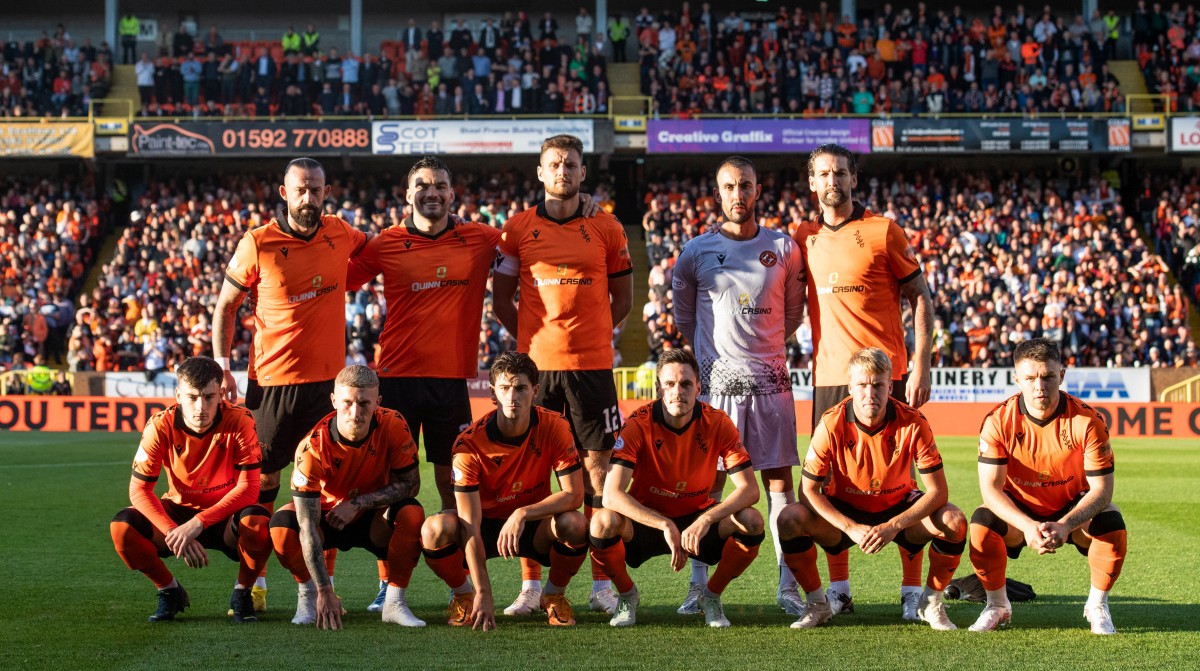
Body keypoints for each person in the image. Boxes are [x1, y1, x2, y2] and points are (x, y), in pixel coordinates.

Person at [212, 157, 368, 612]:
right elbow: (225, 307)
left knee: (323, 485)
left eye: (316, 190)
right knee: (265, 482)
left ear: (326, 191)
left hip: (327, 387)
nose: (309, 198)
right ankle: (253, 582)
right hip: (273, 384)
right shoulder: (257, 243)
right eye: (301, 190)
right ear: (284, 193)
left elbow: (370, 256)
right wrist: (224, 366)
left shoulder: (340, 231)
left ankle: (323, 587)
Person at [345, 156, 501, 611]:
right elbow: (342, 276)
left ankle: (461, 582)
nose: (431, 192)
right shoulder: (387, 243)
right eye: (422, 185)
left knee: (453, 481)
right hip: (394, 378)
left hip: (450, 381)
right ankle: (388, 584)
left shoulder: (481, 238)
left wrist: (591, 207)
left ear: (452, 194)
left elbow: (532, 237)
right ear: (407, 193)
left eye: (439, 185)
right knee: (391, 482)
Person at [492, 134, 633, 615]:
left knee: (596, 473)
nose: (563, 171)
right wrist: (534, 343)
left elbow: (624, 300)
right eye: (554, 164)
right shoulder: (515, 230)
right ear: (540, 171)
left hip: (592, 370)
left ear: (582, 173)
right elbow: (501, 301)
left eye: (571, 164)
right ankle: (532, 587)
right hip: (538, 374)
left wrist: (587, 336)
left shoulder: (607, 226)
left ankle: (600, 584)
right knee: (535, 474)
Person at [793, 143, 935, 619]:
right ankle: (839, 591)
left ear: (854, 179)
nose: (832, 181)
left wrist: (919, 364)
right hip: (830, 377)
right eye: (823, 174)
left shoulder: (883, 231)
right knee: (831, 488)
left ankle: (912, 593)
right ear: (812, 182)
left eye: (840, 173)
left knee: (900, 484)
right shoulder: (802, 235)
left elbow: (920, 295)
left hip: (884, 374)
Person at [671, 155, 806, 616]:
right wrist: (716, 364)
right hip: (717, 390)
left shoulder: (784, 248)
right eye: (729, 187)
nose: (738, 194)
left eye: (745, 185)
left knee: (778, 485)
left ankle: (788, 586)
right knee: (706, 488)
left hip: (770, 385)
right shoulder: (696, 251)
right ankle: (697, 585)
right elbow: (685, 320)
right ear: (718, 194)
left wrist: (760, 353)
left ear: (757, 189)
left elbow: (792, 316)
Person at [779, 347, 966, 630]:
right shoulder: (830, 423)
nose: (870, 393)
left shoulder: (913, 421)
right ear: (851, 387)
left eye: (878, 385)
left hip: (898, 507)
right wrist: (850, 526)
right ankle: (818, 604)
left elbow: (938, 492)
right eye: (863, 385)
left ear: (890, 386)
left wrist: (893, 525)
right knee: (789, 519)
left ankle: (931, 604)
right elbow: (808, 491)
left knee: (954, 520)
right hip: (846, 509)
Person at [589, 348, 764, 627]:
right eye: (669, 384)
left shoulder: (718, 422)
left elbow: (750, 490)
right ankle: (627, 595)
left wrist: (706, 518)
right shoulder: (638, 423)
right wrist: (663, 524)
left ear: (698, 387)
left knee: (752, 521)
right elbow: (611, 494)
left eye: (685, 384)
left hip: (697, 518)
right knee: (601, 522)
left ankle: (711, 596)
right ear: (659, 388)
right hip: (648, 520)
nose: (677, 391)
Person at [420, 352, 589, 630]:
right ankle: (464, 595)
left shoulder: (555, 426)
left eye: (521, 388)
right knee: (433, 529)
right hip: (483, 527)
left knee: (575, 523)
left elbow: (574, 495)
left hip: (532, 525)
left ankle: (554, 595)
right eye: (505, 388)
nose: (513, 397)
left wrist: (522, 512)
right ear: (492, 393)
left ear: (535, 391)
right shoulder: (468, 445)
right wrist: (484, 592)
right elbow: (470, 527)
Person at [968, 338, 1125, 635]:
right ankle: (997, 605)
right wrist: (1028, 526)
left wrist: (1065, 525)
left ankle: (1097, 605)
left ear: (1061, 376)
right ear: (1017, 379)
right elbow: (991, 489)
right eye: (1029, 378)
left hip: (1071, 506)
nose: (1039, 386)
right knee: (983, 521)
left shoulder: (1088, 421)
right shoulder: (998, 421)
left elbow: (1102, 490)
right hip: (1020, 506)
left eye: (1048, 377)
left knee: (1111, 522)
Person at [109, 356, 271, 623]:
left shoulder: (240, 420)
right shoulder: (160, 425)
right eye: (192, 397)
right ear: (178, 395)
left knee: (259, 521)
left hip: (225, 516)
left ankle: (242, 593)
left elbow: (250, 488)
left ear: (221, 394)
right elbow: (139, 490)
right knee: (122, 528)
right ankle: (169, 590)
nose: (200, 407)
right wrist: (173, 530)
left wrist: (199, 523)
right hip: (178, 513)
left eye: (209, 397)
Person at [268, 365, 425, 629]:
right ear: (333, 401)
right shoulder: (311, 448)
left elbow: (411, 485)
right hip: (325, 519)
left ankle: (395, 602)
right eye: (347, 402)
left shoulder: (393, 423)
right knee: (282, 527)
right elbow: (307, 525)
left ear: (378, 402)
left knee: (412, 512)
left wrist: (357, 503)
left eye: (365, 403)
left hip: (374, 517)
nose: (355, 412)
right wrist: (323, 590)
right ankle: (307, 597)